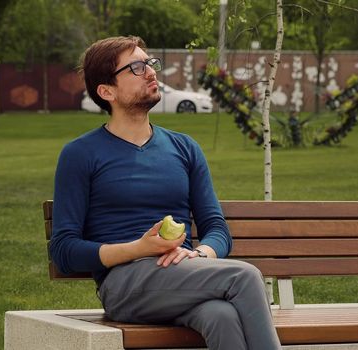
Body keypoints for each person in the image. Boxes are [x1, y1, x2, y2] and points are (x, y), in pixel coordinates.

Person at [50, 36, 282, 350]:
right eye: (135, 67)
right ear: (107, 92)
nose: (150, 72)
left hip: (185, 272)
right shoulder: (81, 154)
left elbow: (217, 230)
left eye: (149, 63)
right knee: (245, 277)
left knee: (221, 316)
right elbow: (64, 251)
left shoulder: (184, 148)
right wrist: (138, 248)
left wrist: (199, 254)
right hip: (124, 283)